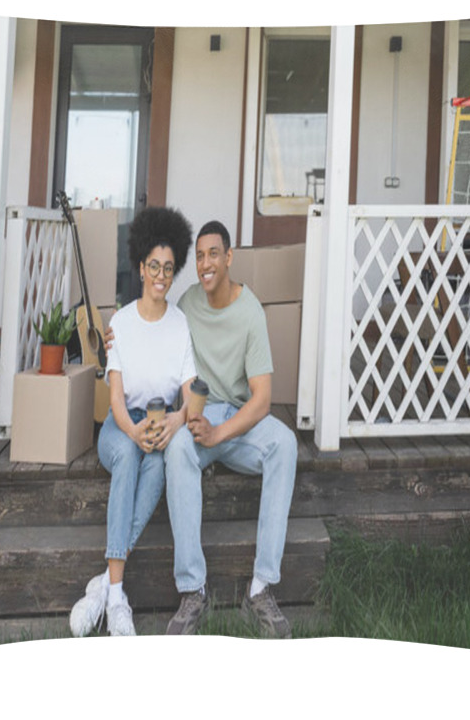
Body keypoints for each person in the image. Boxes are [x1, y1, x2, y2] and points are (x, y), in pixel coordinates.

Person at [163, 220, 298, 638]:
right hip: (198, 416)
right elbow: (154, 328)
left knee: (286, 444)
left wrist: (221, 434)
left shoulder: (250, 311)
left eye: (213, 254)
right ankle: (192, 591)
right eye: (200, 256)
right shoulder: (187, 304)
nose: (205, 263)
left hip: (237, 424)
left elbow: (262, 399)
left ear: (229, 257)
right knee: (177, 451)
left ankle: (260, 589)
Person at [69, 206, 196, 638]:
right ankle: (119, 596)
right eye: (154, 266)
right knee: (127, 457)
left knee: (158, 466)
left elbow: (194, 390)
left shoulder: (180, 325)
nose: (161, 275)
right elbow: (116, 398)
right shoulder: (119, 323)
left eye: (169, 268)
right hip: (119, 425)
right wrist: (131, 429)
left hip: (161, 421)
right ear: (141, 267)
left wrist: (178, 420)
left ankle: (105, 588)